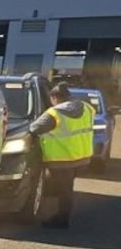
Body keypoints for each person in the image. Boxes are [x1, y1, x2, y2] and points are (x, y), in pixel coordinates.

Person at [29, 83, 95, 229]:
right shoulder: (87, 108)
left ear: (54, 98)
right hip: (82, 158)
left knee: (64, 190)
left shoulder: (54, 113)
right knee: (67, 188)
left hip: (62, 160)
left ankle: (62, 219)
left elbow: (33, 128)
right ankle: (62, 216)